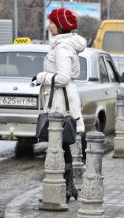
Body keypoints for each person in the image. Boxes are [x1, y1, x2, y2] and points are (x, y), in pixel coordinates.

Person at [34, 7, 86, 203]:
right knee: (62, 145)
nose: (48, 26)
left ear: (60, 26)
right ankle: (68, 187)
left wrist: (41, 77)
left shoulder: (62, 48)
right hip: (61, 100)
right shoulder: (61, 45)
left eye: (52, 23)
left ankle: (65, 187)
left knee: (59, 145)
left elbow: (63, 78)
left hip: (61, 102)